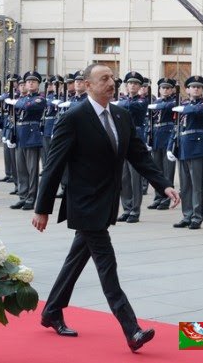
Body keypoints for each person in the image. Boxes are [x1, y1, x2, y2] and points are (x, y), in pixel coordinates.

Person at [32, 63, 179, 352]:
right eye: (103, 79)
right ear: (87, 85)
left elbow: (139, 155)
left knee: (76, 259)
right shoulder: (73, 117)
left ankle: (51, 311)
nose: (111, 83)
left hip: (107, 201)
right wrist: (42, 207)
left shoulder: (122, 115)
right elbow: (53, 166)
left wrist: (164, 184)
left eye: (112, 78)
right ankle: (131, 329)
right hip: (84, 203)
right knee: (107, 265)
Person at [169, 75, 203, 230]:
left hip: (197, 148)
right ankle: (186, 215)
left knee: (196, 185)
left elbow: (199, 111)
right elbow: (177, 127)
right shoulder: (184, 104)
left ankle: (197, 217)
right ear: (187, 89)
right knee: (185, 185)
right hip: (183, 147)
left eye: (199, 87)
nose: (196, 89)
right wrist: (171, 146)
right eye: (193, 87)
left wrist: (184, 109)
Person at [7, 71, 46, 210]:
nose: (30, 83)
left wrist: (17, 103)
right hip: (20, 136)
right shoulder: (23, 98)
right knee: (21, 170)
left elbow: (27, 106)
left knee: (32, 170)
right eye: (28, 81)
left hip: (31, 136)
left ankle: (31, 198)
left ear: (38, 84)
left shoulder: (40, 99)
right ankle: (22, 197)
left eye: (33, 82)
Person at [117, 71, 148, 223]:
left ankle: (135, 210)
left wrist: (119, 103)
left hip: (135, 140)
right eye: (130, 83)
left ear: (140, 86)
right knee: (124, 177)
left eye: (136, 83)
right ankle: (127, 208)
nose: (132, 86)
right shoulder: (122, 100)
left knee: (135, 177)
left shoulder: (142, 101)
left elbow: (129, 106)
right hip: (122, 140)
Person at [147, 78, 177, 210]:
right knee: (157, 171)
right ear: (159, 90)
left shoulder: (174, 102)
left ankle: (167, 198)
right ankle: (158, 197)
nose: (165, 90)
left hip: (168, 138)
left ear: (172, 90)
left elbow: (168, 107)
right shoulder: (156, 102)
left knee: (167, 172)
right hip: (157, 138)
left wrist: (156, 106)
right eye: (163, 88)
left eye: (168, 88)